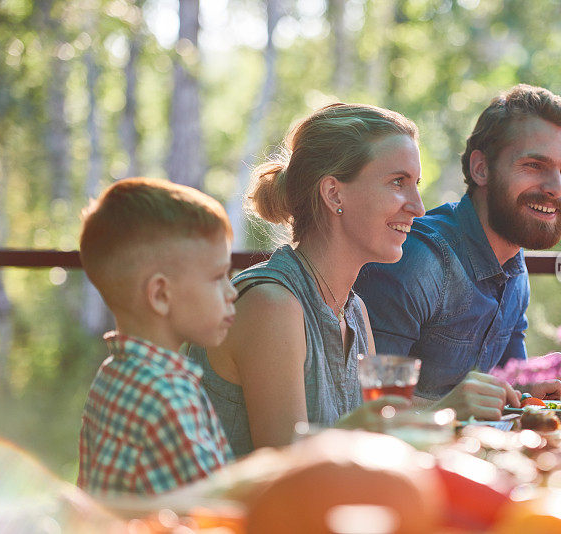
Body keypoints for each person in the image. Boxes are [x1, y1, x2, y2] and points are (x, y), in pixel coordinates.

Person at [189, 103, 522, 457]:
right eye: (398, 182)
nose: (418, 207)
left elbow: (372, 446)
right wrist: (444, 413)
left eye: (416, 184)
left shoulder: (354, 311)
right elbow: (287, 472)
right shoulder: (271, 305)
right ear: (334, 194)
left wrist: (452, 416)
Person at [355, 84, 561, 406]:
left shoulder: (514, 268)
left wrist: (544, 379)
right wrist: (451, 409)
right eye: (534, 165)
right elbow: (367, 412)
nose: (556, 188)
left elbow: (505, 390)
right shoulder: (417, 262)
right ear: (481, 168)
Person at [77, 177, 236, 495]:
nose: (231, 292)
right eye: (218, 277)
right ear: (161, 294)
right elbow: (220, 506)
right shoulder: (168, 396)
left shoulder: (114, 373)